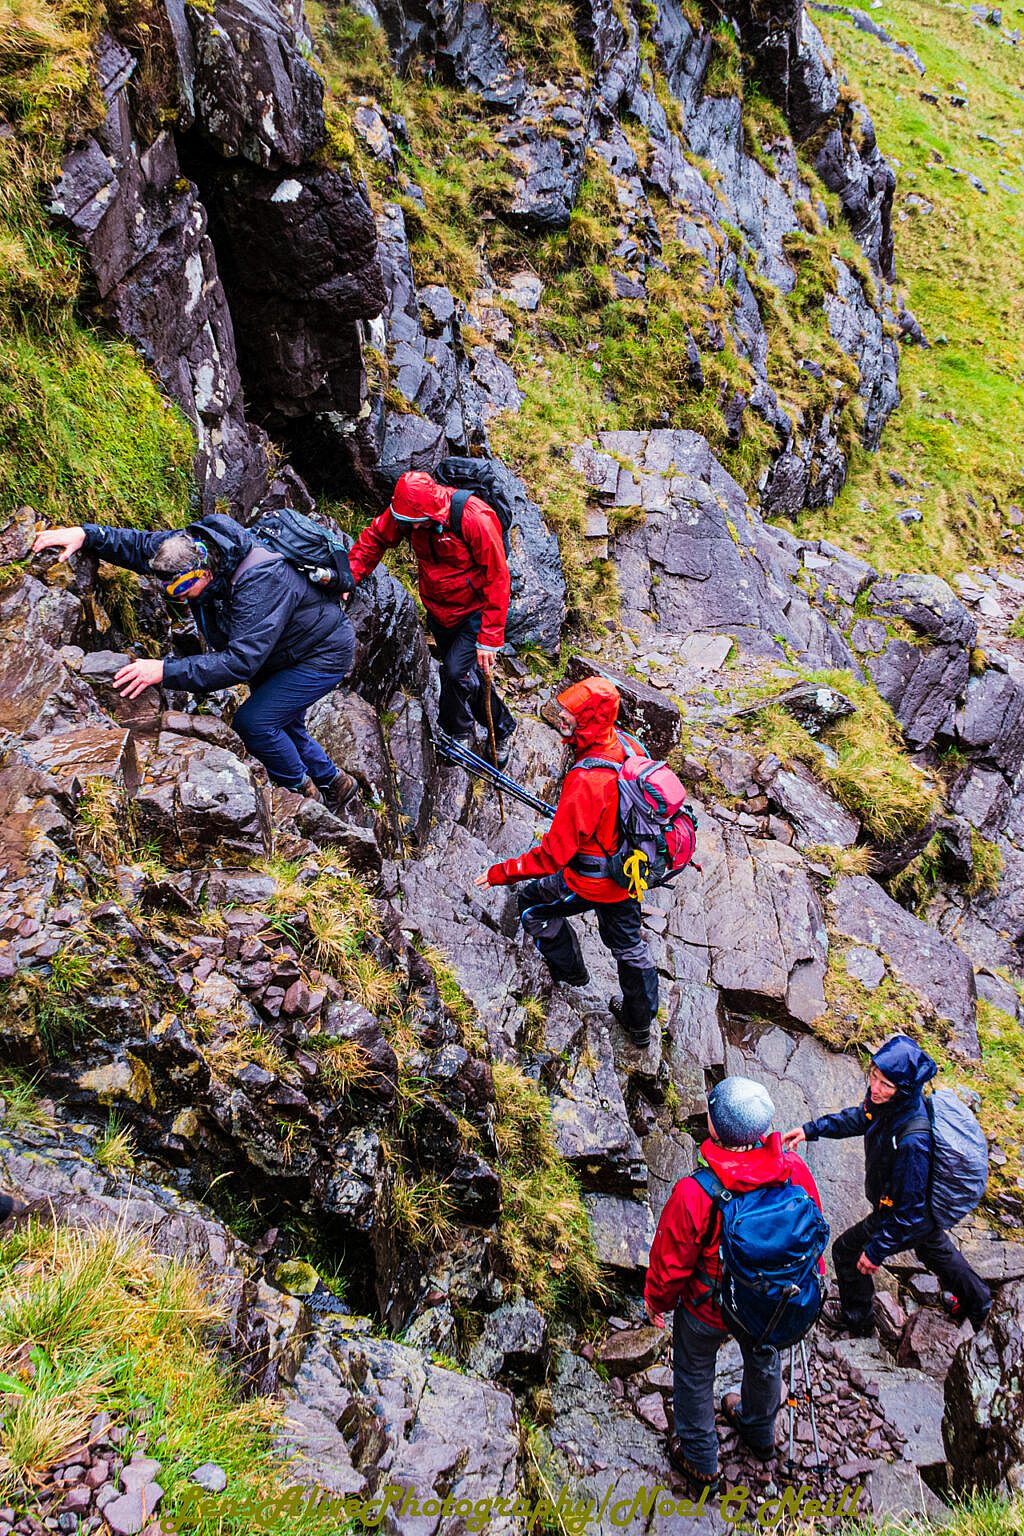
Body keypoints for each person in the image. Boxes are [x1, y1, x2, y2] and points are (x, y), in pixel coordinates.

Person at [32, 514, 358, 807]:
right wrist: (87, 535)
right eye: (171, 589)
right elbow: (139, 546)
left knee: (255, 723)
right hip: (280, 648)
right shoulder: (188, 546)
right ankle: (335, 783)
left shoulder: (260, 581)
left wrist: (163, 670)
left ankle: (301, 797)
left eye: (185, 586)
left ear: (205, 569)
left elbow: (239, 663)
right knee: (283, 722)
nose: (180, 594)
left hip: (320, 653)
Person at [645, 1077, 825, 1494]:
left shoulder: (696, 1192)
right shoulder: (794, 1170)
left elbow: (671, 1263)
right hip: (772, 1303)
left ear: (714, 1127)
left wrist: (657, 1300)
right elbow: (814, 1232)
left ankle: (700, 1455)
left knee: (693, 1369)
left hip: (709, 1307)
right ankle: (759, 1431)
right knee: (764, 1356)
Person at [473, 676, 659, 1048]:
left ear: (589, 721)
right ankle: (640, 1025)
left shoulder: (587, 780)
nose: (561, 718)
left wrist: (500, 873)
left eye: (570, 716)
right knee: (628, 945)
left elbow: (552, 856)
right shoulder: (627, 745)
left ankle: (570, 973)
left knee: (532, 906)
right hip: (631, 868)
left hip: (592, 880)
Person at [782, 1034, 992, 1336]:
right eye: (874, 1077)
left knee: (847, 1251)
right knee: (934, 1249)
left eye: (885, 1084)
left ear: (903, 1088)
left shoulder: (912, 1142)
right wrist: (809, 1130)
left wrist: (876, 1251)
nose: (875, 1088)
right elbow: (859, 1118)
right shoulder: (889, 1104)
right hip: (912, 1208)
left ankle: (858, 1321)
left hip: (903, 1211)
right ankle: (980, 1302)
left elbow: (908, 1213)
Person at [347, 470, 515, 763]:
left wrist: (489, 639)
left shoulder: (475, 518)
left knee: (453, 672)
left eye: (412, 524)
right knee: (463, 677)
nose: (406, 529)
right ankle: (502, 729)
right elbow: (376, 538)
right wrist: (348, 578)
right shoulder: (408, 514)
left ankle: (457, 735)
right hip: (439, 609)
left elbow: (498, 577)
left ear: (430, 513)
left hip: (474, 612)